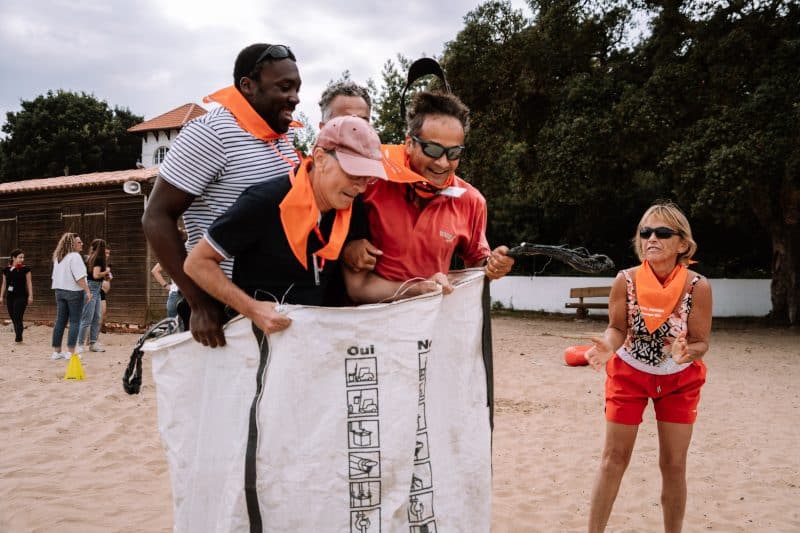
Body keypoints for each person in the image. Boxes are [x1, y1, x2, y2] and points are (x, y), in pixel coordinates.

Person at [142, 43, 302, 348]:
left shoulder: (286, 137)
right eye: (284, 87)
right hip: (224, 310)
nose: (295, 97)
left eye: (296, 87)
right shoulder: (210, 134)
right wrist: (200, 304)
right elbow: (156, 216)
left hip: (274, 304)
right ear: (248, 86)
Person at [584, 201, 712, 533]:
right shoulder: (624, 280)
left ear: (682, 244)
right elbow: (617, 329)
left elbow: (701, 341)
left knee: (673, 465)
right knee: (613, 460)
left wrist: (688, 352)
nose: (651, 238)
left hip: (679, 380)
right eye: (645, 232)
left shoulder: (697, 286)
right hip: (629, 374)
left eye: (662, 232)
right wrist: (606, 346)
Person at [342, 90, 514, 297]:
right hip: (369, 316)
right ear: (409, 144)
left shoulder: (472, 200)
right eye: (432, 150)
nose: (442, 163)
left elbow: (478, 264)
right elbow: (328, 231)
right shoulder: (372, 180)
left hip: (429, 319)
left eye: (454, 153)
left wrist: (494, 263)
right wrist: (346, 248)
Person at [50, 233, 92, 360]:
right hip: (74, 292)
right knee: (75, 322)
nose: (82, 244)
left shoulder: (58, 257)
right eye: (79, 242)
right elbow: (79, 277)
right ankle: (71, 352)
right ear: (72, 244)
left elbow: (54, 276)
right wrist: (88, 291)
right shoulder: (75, 256)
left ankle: (57, 352)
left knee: (60, 321)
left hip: (59, 291)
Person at [76, 239, 111, 353]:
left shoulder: (91, 257)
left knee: (96, 317)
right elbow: (96, 275)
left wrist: (105, 275)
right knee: (87, 318)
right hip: (92, 289)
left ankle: (93, 343)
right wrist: (105, 273)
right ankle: (80, 344)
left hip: (96, 288)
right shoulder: (99, 259)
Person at [1, 249, 33, 343]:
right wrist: (1, 296)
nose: (22, 259)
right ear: (13, 258)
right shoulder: (6, 270)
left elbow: (29, 283)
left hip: (21, 297)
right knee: (13, 317)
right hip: (10, 297)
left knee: (17, 316)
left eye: (23, 257)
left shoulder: (26, 270)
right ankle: (18, 336)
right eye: (20, 257)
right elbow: (4, 284)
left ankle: (18, 338)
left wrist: (30, 296)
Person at [99, 246, 112, 334]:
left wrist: (108, 276)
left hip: (103, 292)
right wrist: (106, 273)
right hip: (98, 290)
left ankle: (95, 335)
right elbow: (96, 275)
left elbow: (107, 278)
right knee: (101, 313)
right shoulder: (98, 263)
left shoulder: (106, 264)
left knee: (103, 313)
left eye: (108, 253)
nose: (107, 255)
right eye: (105, 253)